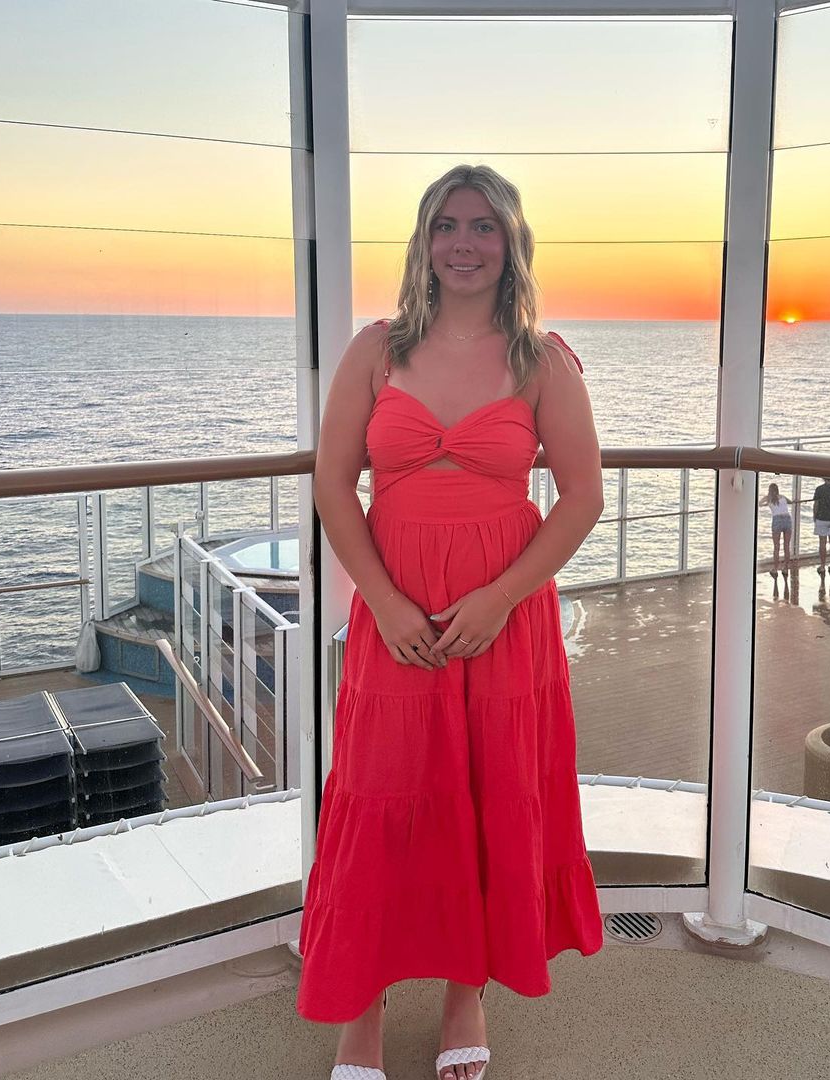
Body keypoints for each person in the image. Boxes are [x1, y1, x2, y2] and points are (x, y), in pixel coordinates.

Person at [297, 164, 605, 1080]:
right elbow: (333, 487)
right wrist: (386, 603)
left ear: (511, 243)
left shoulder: (542, 360)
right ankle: (359, 1010)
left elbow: (582, 498)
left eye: (483, 226)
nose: (463, 243)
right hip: (398, 617)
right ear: (424, 241)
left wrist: (500, 598)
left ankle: (466, 994)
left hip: (503, 618)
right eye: (446, 225)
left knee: (487, 796)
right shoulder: (376, 349)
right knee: (379, 799)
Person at [759, 481, 793, 579]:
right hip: (787, 519)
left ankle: (775, 568)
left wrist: (766, 503)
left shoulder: (768, 498)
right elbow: (790, 502)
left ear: (769, 491)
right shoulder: (782, 496)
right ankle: (785, 568)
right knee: (786, 546)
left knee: (776, 546)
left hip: (777, 520)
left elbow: (759, 503)